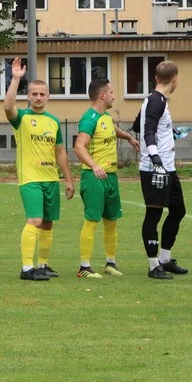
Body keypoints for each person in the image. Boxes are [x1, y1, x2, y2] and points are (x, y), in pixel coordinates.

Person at [4, 58, 75, 281]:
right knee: (34, 220)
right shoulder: (22, 118)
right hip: (30, 179)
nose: (38, 97)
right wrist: (16, 79)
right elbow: (7, 107)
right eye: (34, 94)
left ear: (48, 96)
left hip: (51, 179)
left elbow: (61, 152)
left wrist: (69, 179)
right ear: (28, 96)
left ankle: (43, 265)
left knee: (47, 223)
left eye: (42, 94)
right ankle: (27, 268)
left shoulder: (54, 122)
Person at [73, 79, 140, 279]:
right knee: (92, 220)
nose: (113, 95)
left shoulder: (106, 117)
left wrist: (128, 137)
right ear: (102, 95)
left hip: (110, 177)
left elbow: (111, 129)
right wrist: (94, 166)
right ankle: (84, 267)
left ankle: (110, 263)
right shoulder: (89, 119)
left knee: (111, 221)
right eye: (111, 92)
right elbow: (79, 146)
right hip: (93, 177)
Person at [136, 60, 188, 280]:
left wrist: (171, 134)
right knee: (154, 214)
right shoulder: (156, 101)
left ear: (156, 77)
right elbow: (148, 130)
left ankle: (165, 260)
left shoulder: (158, 101)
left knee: (178, 210)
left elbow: (143, 124)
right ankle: (153, 265)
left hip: (168, 166)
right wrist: (154, 155)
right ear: (175, 80)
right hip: (155, 167)